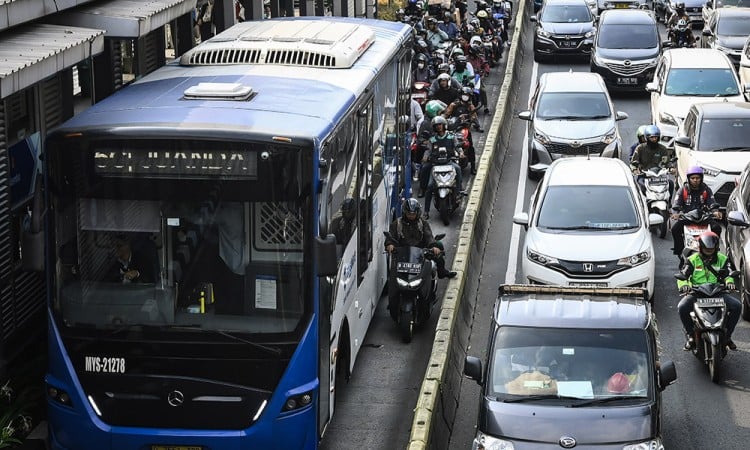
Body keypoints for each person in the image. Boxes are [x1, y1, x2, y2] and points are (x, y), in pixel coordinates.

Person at [677, 231, 742, 351]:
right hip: (697, 292)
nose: (709, 252)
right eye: (706, 249)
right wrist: (684, 285)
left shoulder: (723, 259)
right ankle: (690, 336)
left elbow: (729, 274)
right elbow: (683, 274)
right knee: (682, 307)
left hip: (718, 292)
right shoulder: (692, 260)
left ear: (716, 248)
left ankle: (727, 336)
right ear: (700, 248)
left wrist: (730, 283)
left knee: (737, 306)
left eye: (711, 250)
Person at [670, 165, 723, 259]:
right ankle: (680, 251)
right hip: (687, 217)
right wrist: (676, 214)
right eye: (693, 178)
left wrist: (715, 211)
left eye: (698, 178)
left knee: (717, 228)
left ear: (701, 178)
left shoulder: (706, 190)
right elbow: (676, 204)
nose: (695, 180)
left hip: (703, 217)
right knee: (675, 229)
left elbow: (712, 202)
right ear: (689, 179)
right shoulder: (682, 190)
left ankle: (714, 249)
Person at [422, 116, 465, 218]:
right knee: (429, 187)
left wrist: (461, 153)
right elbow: (428, 150)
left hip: (449, 163)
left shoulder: (451, 136)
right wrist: (425, 157)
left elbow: (457, 146)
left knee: (458, 169)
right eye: (436, 126)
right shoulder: (432, 139)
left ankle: (458, 191)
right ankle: (426, 212)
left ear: (444, 125)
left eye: (440, 125)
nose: (439, 127)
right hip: (436, 165)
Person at [630, 125, 675, 194]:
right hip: (645, 176)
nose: (654, 139)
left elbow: (667, 162)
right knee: (640, 185)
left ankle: (669, 204)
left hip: (660, 177)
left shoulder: (663, 149)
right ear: (647, 138)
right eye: (652, 137)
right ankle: (643, 203)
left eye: (655, 137)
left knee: (671, 184)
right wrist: (635, 170)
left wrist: (671, 168)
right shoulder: (640, 148)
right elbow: (633, 162)